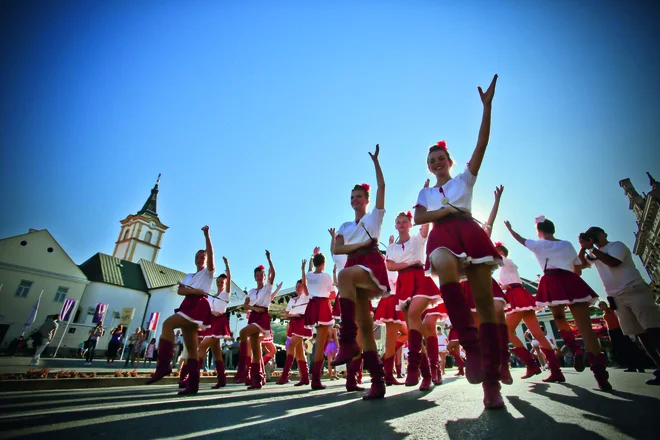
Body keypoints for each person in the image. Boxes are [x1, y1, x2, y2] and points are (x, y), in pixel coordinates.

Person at [413, 74, 505, 409]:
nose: (437, 163)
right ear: (429, 166)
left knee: (484, 306)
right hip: (443, 234)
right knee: (440, 260)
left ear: (449, 162)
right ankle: (470, 344)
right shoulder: (425, 191)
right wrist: (445, 210)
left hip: (469, 231)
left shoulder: (464, 179)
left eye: (441, 158)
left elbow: (481, 145)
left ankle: (491, 383)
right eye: (432, 160)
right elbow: (420, 217)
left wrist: (487, 107)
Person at [505, 216, 612, 391]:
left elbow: (520, 239)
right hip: (570, 280)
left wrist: (510, 229)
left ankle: (575, 348)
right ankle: (601, 375)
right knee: (585, 329)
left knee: (559, 317)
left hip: (552, 281)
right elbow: (577, 269)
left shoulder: (538, 244)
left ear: (539, 231)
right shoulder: (566, 244)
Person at [331, 144, 389, 401]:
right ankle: (377, 381)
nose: (355, 200)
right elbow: (340, 247)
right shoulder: (344, 225)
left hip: (369, 266)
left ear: (366, 200)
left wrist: (376, 163)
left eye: (359, 196)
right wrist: (361, 244)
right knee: (366, 326)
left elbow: (382, 188)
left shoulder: (374, 217)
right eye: (352, 197)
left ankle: (346, 342)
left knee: (343, 276)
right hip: (354, 264)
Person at [579, 227, 660, 386]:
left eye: (596, 235)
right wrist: (583, 248)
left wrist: (593, 249)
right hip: (616, 297)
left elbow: (613, 262)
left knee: (653, 329)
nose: (595, 238)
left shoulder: (617, 246)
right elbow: (580, 265)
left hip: (634, 289)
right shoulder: (594, 254)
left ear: (604, 234)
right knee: (639, 333)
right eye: (592, 237)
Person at [146, 225, 215, 395]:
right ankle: (193, 385)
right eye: (198, 257)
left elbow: (211, 255)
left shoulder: (208, 273)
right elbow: (180, 290)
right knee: (191, 348)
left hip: (198, 305)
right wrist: (194, 290)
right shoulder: (189, 276)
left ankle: (163, 366)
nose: (200, 259)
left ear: (206, 260)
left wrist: (207, 236)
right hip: (188, 303)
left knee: (168, 324)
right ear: (194, 259)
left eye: (203, 257)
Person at [385, 208, 439, 391]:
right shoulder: (392, 247)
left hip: (420, 278)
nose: (401, 224)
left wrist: (423, 204)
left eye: (404, 222)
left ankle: (413, 367)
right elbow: (390, 266)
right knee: (414, 325)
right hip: (403, 281)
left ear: (410, 224)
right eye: (398, 222)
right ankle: (427, 373)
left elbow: (426, 224)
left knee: (415, 315)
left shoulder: (417, 239)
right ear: (395, 225)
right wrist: (408, 263)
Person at [235, 252, 278, 390]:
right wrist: (254, 308)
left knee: (242, 333)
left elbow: (274, 274)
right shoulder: (252, 291)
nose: (260, 277)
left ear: (265, 277)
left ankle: (242, 369)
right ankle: (258, 378)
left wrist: (269, 260)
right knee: (255, 349)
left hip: (262, 317)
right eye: (257, 275)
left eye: (262, 275)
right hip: (254, 315)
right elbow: (245, 305)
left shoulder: (267, 287)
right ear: (254, 277)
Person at [194, 257, 233, 389]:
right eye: (219, 281)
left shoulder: (226, 293)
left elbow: (229, 281)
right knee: (216, 351)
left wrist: (227, 266)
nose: (221, 283)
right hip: (211, 323)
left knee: (202, 348)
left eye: (223, 281)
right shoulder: (211, 295)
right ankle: (222, 379)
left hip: (219, 323)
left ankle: (194, 379)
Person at [303, 251, 337, 390]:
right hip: (323, 306)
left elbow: (309, 270)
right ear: (323, 264)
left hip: (313, 305)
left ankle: (316, 377)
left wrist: (312, 255)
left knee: (321, 341)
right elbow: (333, 294)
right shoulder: (326, 276)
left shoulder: (309, 275)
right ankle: (316, 379)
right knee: (321, 343)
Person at [278, 277, 311, 385]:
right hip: (294, 322)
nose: (297, 288)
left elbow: (288, 314)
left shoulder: (306, 296)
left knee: (291, 346)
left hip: (302, 322)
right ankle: (305, 377)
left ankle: (285, 375)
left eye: (300, 286)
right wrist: (294, 314)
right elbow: (286, 314)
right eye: (296, 287)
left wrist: (303, 269)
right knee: (299, 352)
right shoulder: (292, 300)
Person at [597, 300, 646, 372]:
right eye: (600, 305)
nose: (601, 306)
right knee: (622, 349)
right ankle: (631, 366)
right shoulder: (604, 314)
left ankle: (639, 366)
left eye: (602, 304)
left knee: (628, 347)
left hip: (619, 329)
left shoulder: (612, 310)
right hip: (612, 331)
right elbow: (608, 325)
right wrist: (610, 335)